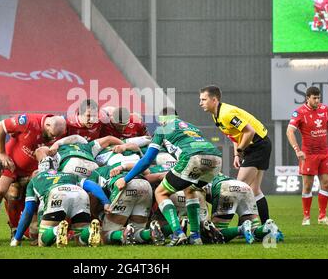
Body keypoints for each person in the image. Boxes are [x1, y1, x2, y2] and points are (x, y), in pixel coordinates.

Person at [114, 107, 222, 246]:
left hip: (192, 158)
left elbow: (146, 160)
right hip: (216, 160)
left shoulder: (162, 129)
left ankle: (178, 233)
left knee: (161, 192)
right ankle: (195, 237)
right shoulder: (192, 127)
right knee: (191, 190)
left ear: (162, 121)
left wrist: (126, 178)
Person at [0, 114, 66, 239]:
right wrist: (2, 154)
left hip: (33, 170)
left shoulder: (61, 129)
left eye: (56, 136)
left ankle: (19, 230)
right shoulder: (27, 121)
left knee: (27, 199)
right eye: (52, 134)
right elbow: (0, 127)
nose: (53, 138)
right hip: (12, 164)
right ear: (47, 125)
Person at [199, 85, 271, 224]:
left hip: (258, 145)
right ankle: (266, 224)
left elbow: (249, 132)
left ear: (214, 100)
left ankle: (244, 226)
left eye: (203, 99)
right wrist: (237, 155)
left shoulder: (226, 113)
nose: (200, 103)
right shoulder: (216, 115)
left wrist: (240, 150)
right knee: (254, 190)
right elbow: (235, 135)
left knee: (239, 187)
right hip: (257, 145)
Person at [10, 166, 110, 247]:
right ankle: (89, 231)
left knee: (42, 241)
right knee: (80, 239)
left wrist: (17, 238)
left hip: (56, 193)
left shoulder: (34, 180)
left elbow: (29, 210)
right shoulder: (69, 175)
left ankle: (56, 231)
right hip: (80, 193)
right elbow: (91, 185)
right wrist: (105, 201)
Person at [286, 86, 328, 226]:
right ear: (307, 98)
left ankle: (322, 217)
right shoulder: (299, 113)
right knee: (308, 186)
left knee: (326, 183)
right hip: (308, 155)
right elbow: (289, 132)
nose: (317, 100)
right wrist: (297, 150)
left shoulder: (325, 110)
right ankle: (306, 217)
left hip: (324, 153)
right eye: (314, 98)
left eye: (318, 98)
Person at [201, 173, 283, 244]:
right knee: (253, 230)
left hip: (226, 188)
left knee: (214, 233)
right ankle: (268, 227)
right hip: (245, 187)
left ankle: (241, 229)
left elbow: (201, 206)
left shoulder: (194, 179)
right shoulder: (211, 169)